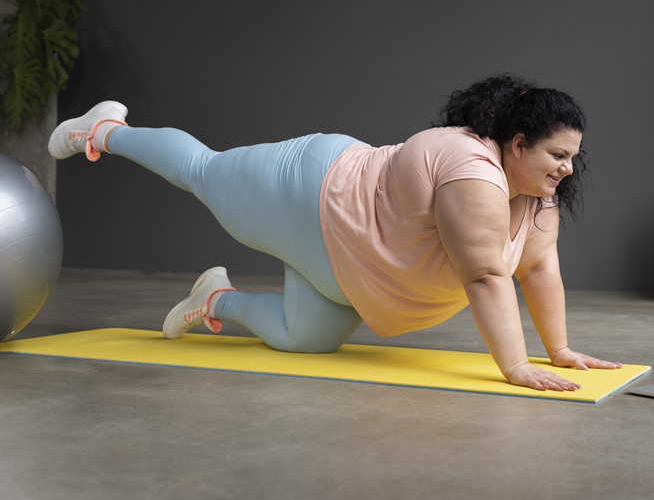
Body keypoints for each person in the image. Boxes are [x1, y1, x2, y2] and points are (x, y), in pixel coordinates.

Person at [48, 74, 622, 392]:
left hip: (348, 271)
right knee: (203, 172)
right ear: (517, 143)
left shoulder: (536, 198)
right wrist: (516, 366)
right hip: (307, 193)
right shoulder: (471, 167)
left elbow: (540, 268)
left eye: (573, 157)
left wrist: (560, 350)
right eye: (557, 154)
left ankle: (215, 299)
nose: (567, 168)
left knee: (306, 339)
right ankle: (104, 128)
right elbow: (485, 272)